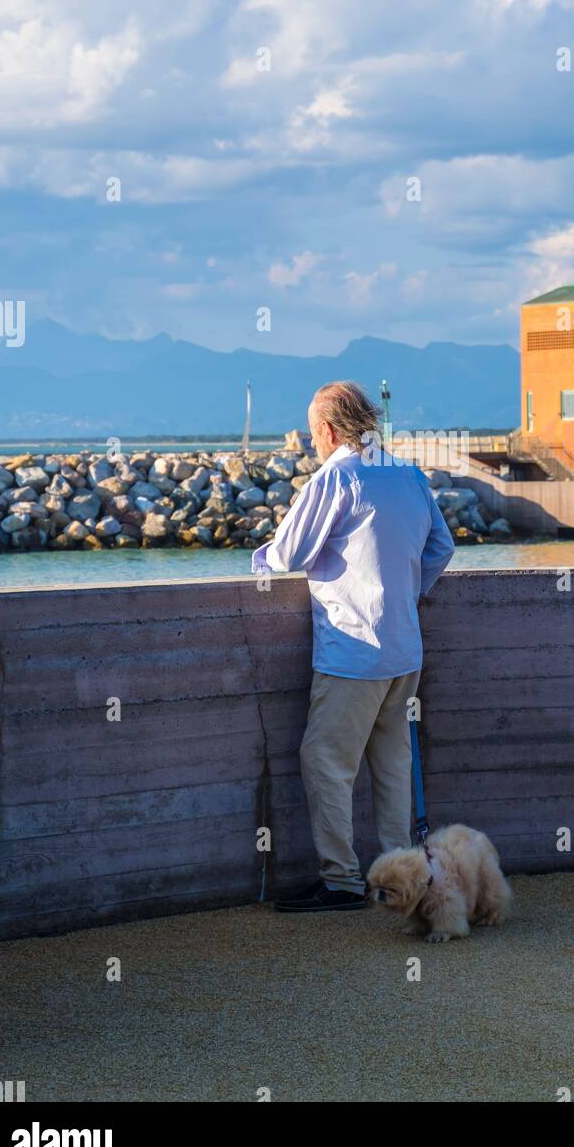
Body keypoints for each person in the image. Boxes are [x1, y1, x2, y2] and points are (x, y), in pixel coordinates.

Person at [251, 381, 455, 912]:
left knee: (326, 760)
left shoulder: (336, 476)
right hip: (403, 649)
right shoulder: (406, 473)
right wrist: (407, 592)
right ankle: (399, 878)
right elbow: (442, 546)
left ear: (326, 428)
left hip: (354, 650)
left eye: (312, 432)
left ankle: (341, 881)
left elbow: (291, 552)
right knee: (391, 767)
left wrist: (260, 561)